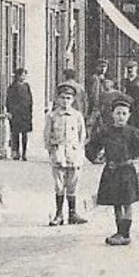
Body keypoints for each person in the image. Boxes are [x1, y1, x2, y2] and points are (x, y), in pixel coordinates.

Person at [86, 92, 139, 246]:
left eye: (124, 114)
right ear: (112, 114)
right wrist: (95, 158)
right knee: (116, 202)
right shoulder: (106, 132)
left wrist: (133, 156)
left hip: (126, 171)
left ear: (129, 115)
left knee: (127, 202)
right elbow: (92, 145)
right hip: (112, 171)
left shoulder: (132, 132)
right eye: (118, 113)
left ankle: (125, 233)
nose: (121, 117)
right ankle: (119, 231)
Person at [43, 80, 88, 226]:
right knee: (59, 184)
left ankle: (73, 213)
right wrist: (52, 151)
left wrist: (80, 151)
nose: (65, 101)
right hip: (59, 153)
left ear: (73, 100)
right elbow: (47, 136)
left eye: (68, 98)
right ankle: (59, 214)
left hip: (74, 154)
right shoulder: (52, 116)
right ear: (58, 99)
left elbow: (82, 136)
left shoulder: (77, 116)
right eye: (62, 97)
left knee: (72, 184)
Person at [5, 67, 35, 161]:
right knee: (15, 134)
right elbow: (9, 100)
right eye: (22, 74)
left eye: (25, 75)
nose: (24, 76)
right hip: (15, 113)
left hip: (25, 113)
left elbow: (30, 100)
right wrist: (9, 112)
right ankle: (16, 152)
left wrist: (30, 112)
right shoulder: (12, 87)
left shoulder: (26, 86)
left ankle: (24, 153)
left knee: (25, 134)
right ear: (18, 76)